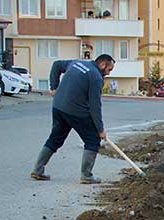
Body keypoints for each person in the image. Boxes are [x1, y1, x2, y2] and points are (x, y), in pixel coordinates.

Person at [31, 54, 115, 184]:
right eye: (109, 70)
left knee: (55, 138)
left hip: (58, 106)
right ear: (103, 64)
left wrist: (54, 87)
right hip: (76, 111)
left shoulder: (77, 63)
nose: (108, 73)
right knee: (92, 140)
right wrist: (100, 129)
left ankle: (37, 170)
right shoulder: (96, 77)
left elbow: (56, 65)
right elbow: (95, 105)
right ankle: (86, 176)